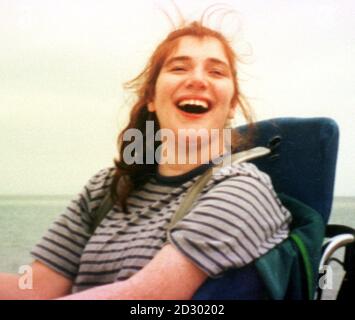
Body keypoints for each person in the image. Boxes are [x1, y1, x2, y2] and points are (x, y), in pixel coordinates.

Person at [0, 19, 291, 300]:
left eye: (216, 72)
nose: (198, 79)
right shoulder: (105, 189)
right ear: (151, 97)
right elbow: (33, 288)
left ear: (231, 106)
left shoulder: (243, 190)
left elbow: (140, 297)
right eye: (179, 68)